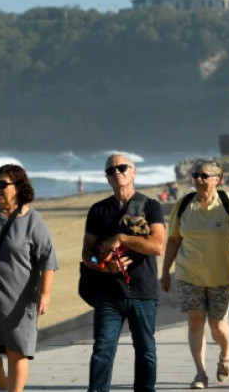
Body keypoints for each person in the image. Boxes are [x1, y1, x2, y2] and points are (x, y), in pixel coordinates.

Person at [0, 164, 57, 392]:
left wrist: (44, 294)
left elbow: (48, 260)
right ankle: (6, 386)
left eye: (3, 184)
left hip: (19, 299)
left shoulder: (33, 221)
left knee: (17, 352)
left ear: (19, 187)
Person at [161, 159, 229, 389]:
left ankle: (226, 351)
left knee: (217, 324)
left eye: (204, 175)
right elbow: (173, 240)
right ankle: (200, 373)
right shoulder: (184, 204)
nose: (198, 179)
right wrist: (165, 271)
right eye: (195, 175)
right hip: (189, 274)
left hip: (223, 275)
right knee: (195, 321)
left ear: (217, 180)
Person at [82, 153, 166, 392]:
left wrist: (121, 238)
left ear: (133, 171)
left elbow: (158, 246)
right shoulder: (98, 210)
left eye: (121, 168)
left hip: (143, 292)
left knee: (146, 351)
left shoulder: (151, 206)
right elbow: (87, 254)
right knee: (102, 350)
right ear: (107, 178)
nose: (117, 173)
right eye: (111, 170)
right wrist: (103, 265)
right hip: (108, 294)